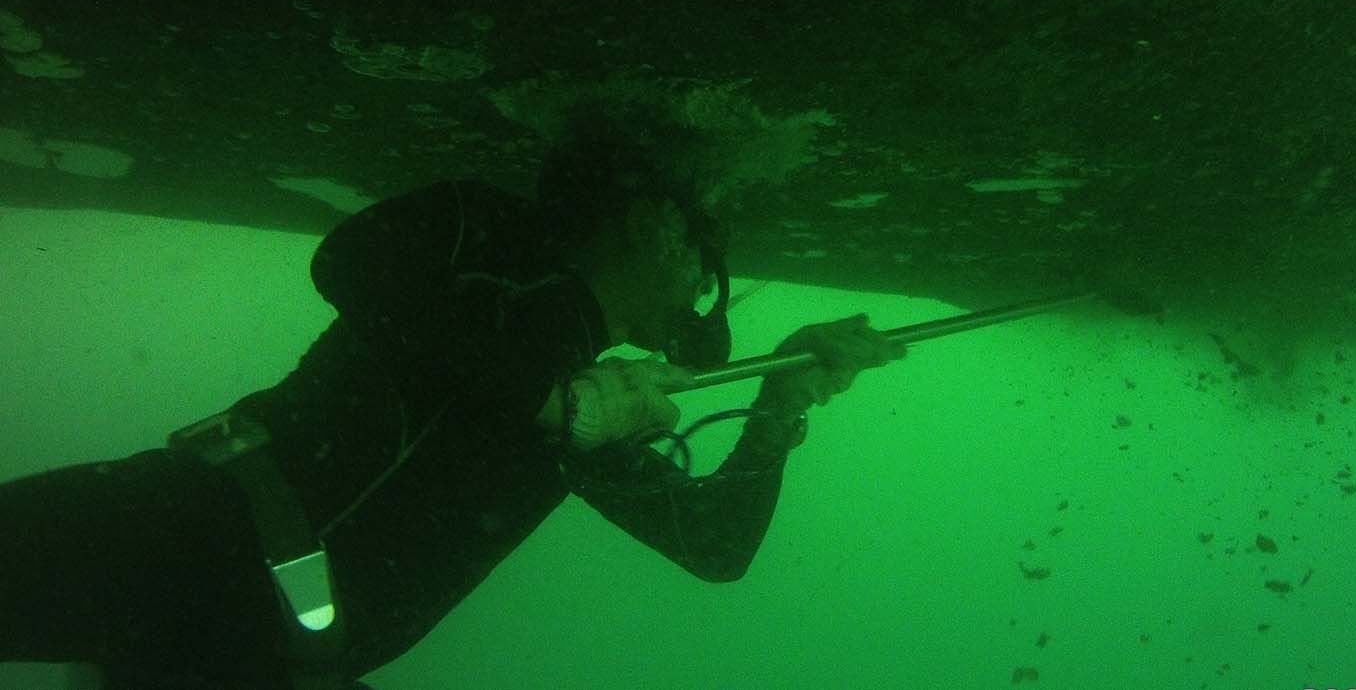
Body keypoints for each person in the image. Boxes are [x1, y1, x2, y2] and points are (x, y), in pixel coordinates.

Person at [0, 105, 905, 689]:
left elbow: (712, 544)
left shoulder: (598, 398)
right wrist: (556, 404)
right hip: (183, 533)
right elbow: (350, 261)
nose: (703, 283)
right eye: (699, 249)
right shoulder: (487, 244)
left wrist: (776, 405)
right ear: (649, 221)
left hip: (258, 660)